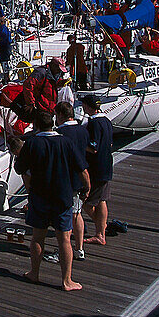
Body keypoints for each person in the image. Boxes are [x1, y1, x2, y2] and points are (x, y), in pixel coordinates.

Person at [14, 110, 90, 292]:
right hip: (62, 196)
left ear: (37, 125)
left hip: (39, 195)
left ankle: (34, 272)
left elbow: (19, 168)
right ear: (53, 123)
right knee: (64, 239)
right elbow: (82, 170)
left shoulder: (32, 143)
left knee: (37, 237)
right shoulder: (66, 142)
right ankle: (67, 280)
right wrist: (86, 188)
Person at [47, 102, 89, 262]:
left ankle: (62, 251)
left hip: (63, 179)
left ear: (60, 115)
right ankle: (79, 248)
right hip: (79, 178)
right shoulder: (83, 131)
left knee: (63, 219)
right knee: (77, 214)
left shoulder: (60, 133)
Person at [82, 94, 114, 246]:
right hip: (107, 165)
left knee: (87, 204)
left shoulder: (93, 124)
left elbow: (93, 148)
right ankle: (101, 231)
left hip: (96, 168)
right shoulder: (107, 121)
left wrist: (79, 145)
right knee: (102, 200)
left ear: (88, 107)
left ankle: (101, 230)